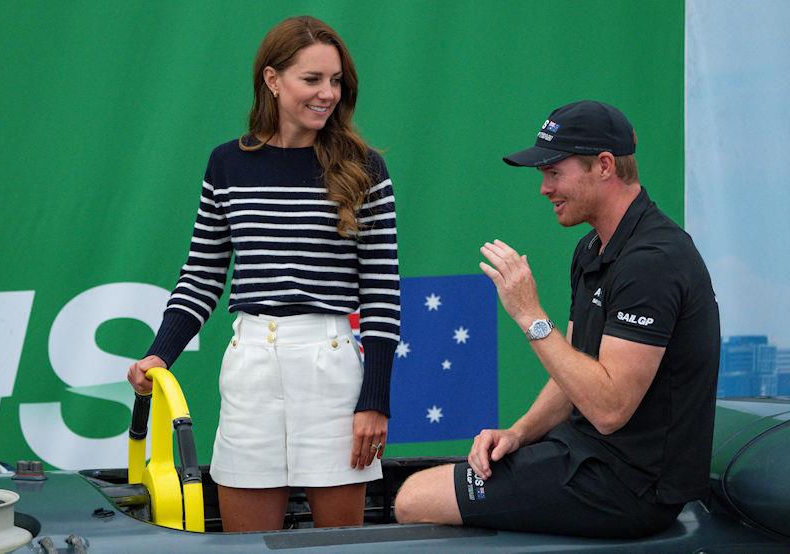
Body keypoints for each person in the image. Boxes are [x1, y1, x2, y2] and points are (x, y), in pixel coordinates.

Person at [394, 100, 719, 538]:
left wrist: (529, 314)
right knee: (421, 492)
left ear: (604, 165)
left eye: (554, 172)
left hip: (630, 488)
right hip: (584, 455)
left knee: (413, 499)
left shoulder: (654, 261)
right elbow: (575, 372)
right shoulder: (592, 249)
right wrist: (520, 432)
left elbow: (608, 408)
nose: (544, 189)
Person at [126, 15, 400, 531]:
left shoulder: (366, 167)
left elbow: (382, 293)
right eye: (312, 79)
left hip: (332, 368)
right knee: (247, 546)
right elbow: (204, 274)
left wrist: (375, 401)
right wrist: (160, 352)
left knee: (339, 548)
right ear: (273, 80)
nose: (327, 94)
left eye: (336, 81)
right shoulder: (227, 163)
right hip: (249, 364)